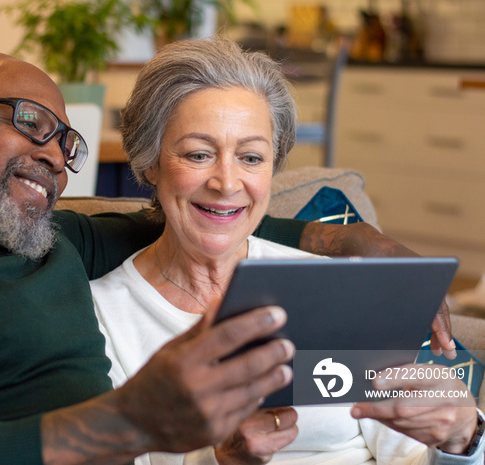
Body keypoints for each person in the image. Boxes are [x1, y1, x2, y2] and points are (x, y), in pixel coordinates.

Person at [0, 50, 457, 465]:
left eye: (66, 143)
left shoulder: (57, 239)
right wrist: (129, 420)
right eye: (30, 122)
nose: (55, 154)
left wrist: (346, 237)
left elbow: (207, 214)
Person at [90, 36, 484, 465]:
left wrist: (466, 436)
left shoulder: (332, 284)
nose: (227, 182)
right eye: (199, 154)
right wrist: (218, 460)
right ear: (150, 162)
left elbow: (412, 452)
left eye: (252, 158)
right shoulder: (103, 314)